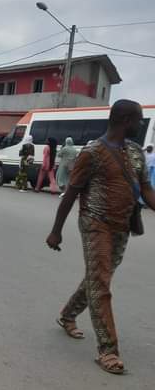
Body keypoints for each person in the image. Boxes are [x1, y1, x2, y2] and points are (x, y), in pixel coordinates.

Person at [46, 100, 155, 375]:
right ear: (126, 120)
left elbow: (145, 189)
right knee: (101, 283)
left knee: (98, 277)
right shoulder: (92, 153)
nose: (141, 124)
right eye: (139, 119)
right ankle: (108, 350)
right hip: (95, 224)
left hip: (122, 225)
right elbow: (70, 193)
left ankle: (68, 314)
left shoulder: (136, 152)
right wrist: (56, 230)